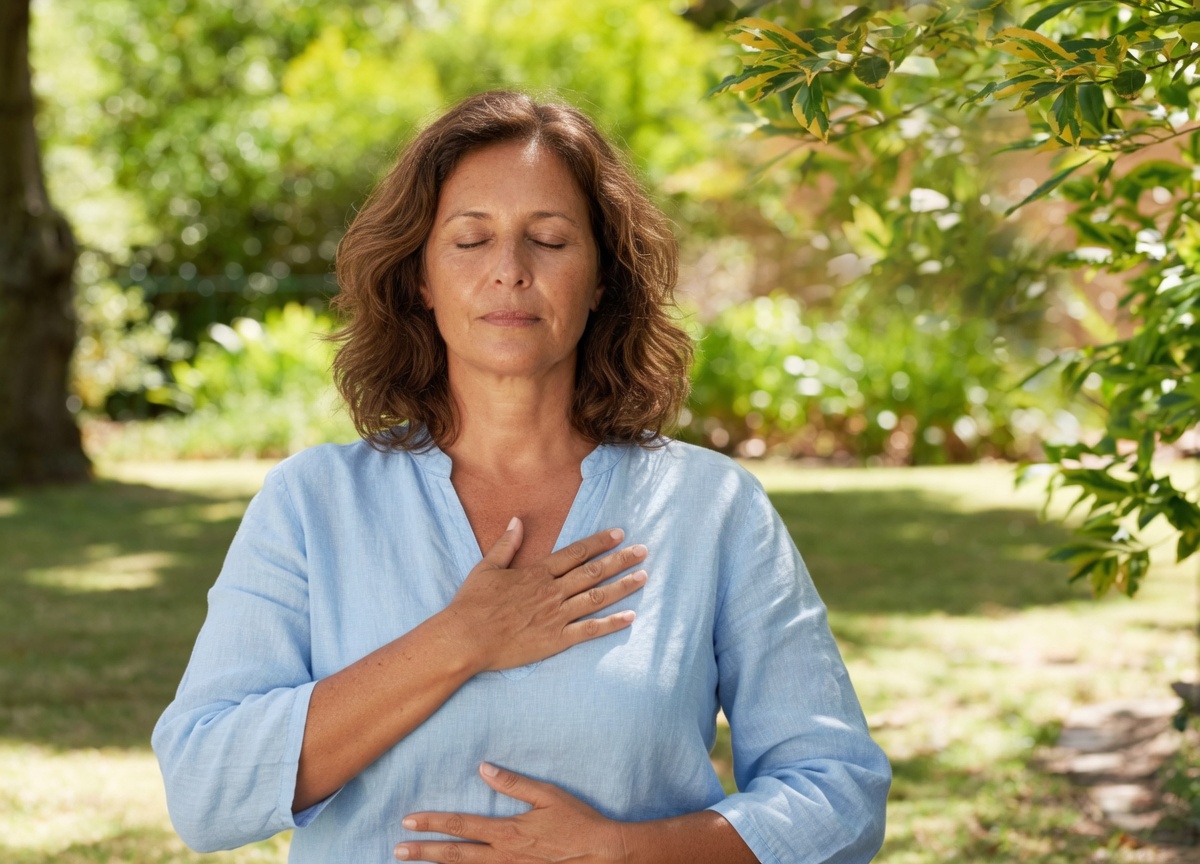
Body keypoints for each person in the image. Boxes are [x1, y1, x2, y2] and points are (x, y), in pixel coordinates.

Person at [153, 90, 890, 864]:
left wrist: (624, 853)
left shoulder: (710, 508)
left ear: (601, 277)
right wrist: (460, 640)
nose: (509, 271)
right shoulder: (312, 504)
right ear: (421, 278)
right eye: (471, 240)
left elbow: (839, 795)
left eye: (549, 239)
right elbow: (205, 792)